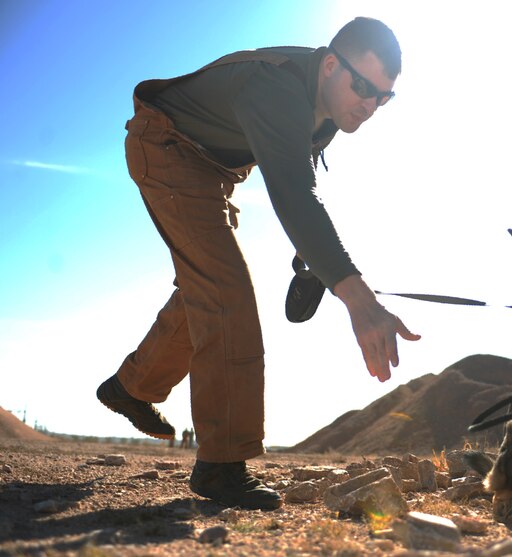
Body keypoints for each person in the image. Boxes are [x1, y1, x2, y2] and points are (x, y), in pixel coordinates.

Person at [96, 17, 420, 511]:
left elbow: (301, 176)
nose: (371, 106)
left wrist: (310, 264)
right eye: (363, 87)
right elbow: (293, 196)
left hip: (214, 170)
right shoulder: (276, 87)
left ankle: (130, 387)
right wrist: (360, 301)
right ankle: (222, 465)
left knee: (206, 288)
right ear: (331, 64)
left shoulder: (331, 109)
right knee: (225, 290)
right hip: (165, 146)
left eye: (384, 97)